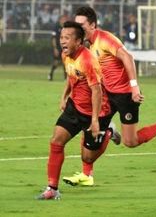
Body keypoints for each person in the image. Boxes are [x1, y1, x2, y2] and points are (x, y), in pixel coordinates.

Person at [62, 6, 156, 187]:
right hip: (106, 96)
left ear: (93, 25)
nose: (78, 30)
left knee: (130, 142)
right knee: (89, 129)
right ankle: (87, 174)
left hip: (125, 95)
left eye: (82, 25)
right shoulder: (85, 45)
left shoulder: (105, 39)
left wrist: (134, 87)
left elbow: (128, 57)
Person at [37, 21, 114, 200]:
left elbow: (97, 91)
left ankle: (108, 131)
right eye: (61, 37)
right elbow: (72, 77)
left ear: (79, 41)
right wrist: (64, 96)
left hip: (95, 112)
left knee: (87, 158)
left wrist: (95, 121)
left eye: (67, 38)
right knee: (56, 141)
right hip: (75, 107)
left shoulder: (88, 60)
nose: (62, 41)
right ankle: (52, 188)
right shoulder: (67, 55)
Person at [48, 15, 68, 81]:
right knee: (56, 63)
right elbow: (53, 38)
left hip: (64, 48)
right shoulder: (56, 27)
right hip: (57, 48)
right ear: (60, 20)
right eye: (63, 19)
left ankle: (65, 78)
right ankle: (50, 74)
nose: (64, 20)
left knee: (65, 63)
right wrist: (55, 48)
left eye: (65, 19)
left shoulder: (66, 28)